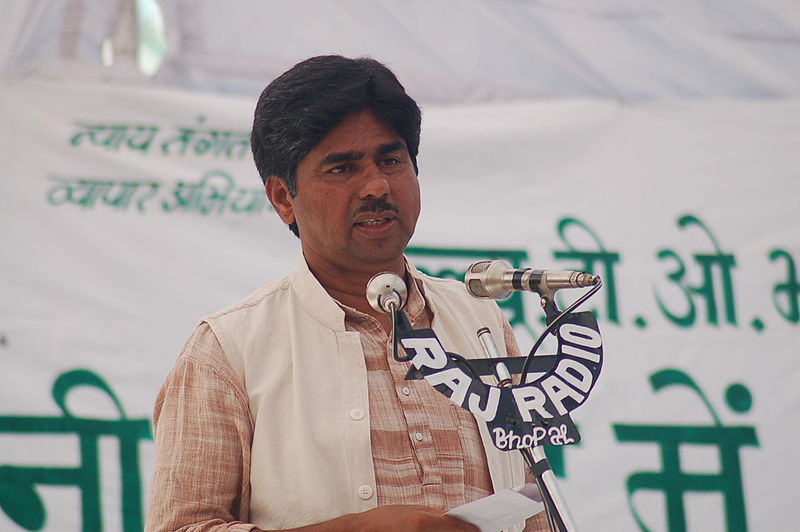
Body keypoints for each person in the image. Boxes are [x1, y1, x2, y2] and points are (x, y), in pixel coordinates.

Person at [146, 55, 549, 532]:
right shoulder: (227, 350)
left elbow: (533, 505)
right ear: (282, 198)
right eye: (342, 169)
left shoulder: (480, 321)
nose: (376, 186)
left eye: (391, 160)